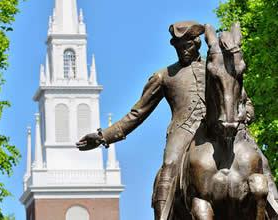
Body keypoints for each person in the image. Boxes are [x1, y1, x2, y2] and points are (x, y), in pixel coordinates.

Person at [76, 21, 277, 219]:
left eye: (187, 46)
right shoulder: (164, 76)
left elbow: (243, 99)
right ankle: (163, 216)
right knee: (170, 166)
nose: (182, 51)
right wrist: (104, 136)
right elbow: (137, 113)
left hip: (223, 125)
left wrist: (245, 115)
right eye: (178, 47)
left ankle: (273, 207)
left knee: (260, 160)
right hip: (184, 131)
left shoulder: (217, 66)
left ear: (197, 43)